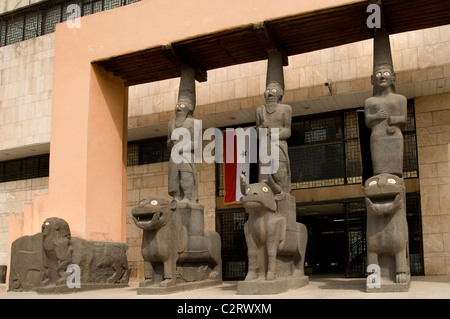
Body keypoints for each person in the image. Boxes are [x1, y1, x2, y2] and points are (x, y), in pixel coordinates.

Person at [364, 29, 407, 177]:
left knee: (395, 175)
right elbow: (368, 122)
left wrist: (394, 119)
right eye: (379, 74)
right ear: (372, 79)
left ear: (393, 78)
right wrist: (377, 116)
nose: (382, 77)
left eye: (386, 73)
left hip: (394, 135)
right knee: (380, 172)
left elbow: (403, 119)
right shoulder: (370, 101)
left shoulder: (400, 99)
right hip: (378, 136)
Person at [256, 50, 292, 194]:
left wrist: (272, 132)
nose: (270, 93)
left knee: (279, 172)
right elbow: (258, 131)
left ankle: (283, 193)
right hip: (265, 146)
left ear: (280, 93)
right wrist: (262, 129)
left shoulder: (285, 109)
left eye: (274, 90)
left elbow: (287, 131)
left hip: (278, 146)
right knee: (264, 176)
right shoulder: (260, 110)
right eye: (268, 90)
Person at [167, 66, 199, 203]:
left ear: (189, 108)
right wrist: (171, 143)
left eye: (183, 105)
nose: (179, 107)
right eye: (178, 104)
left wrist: (181, 147)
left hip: (186, 156)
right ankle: (177, 196)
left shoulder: (194, 123)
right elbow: (168, 143)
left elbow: (196, 144)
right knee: (175, 178)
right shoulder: (171, 123)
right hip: (174, 157)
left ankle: (187, 197)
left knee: (186, 176)